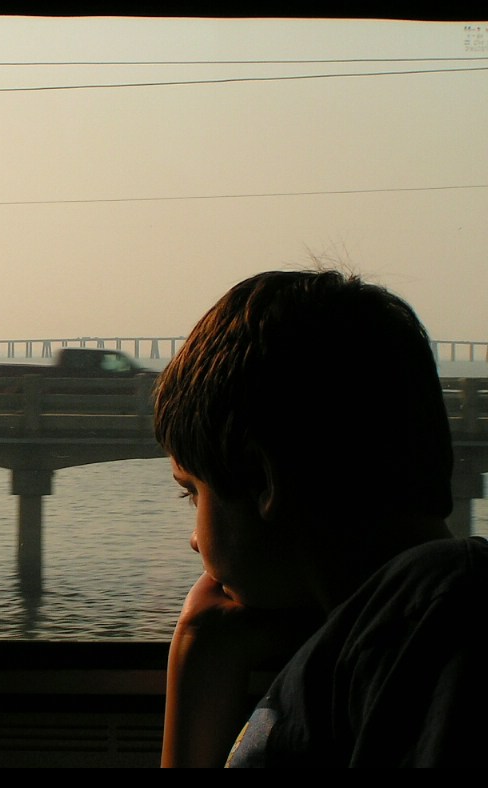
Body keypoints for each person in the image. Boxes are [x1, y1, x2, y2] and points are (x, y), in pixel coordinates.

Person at [153, 268, 487, 768]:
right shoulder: (379, 629)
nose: (195, 542)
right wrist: (200, 658)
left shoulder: (444, 612)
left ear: (261, 481)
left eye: (192, 495)